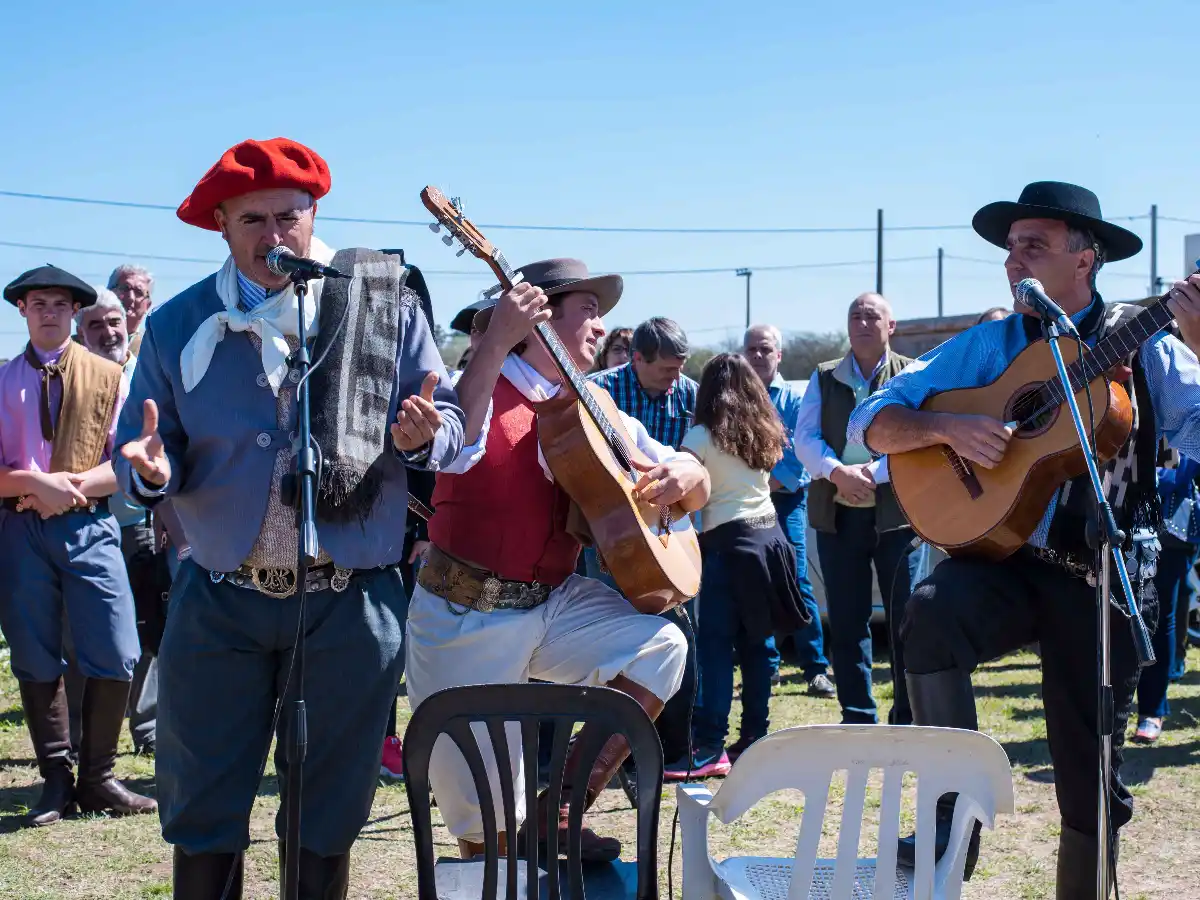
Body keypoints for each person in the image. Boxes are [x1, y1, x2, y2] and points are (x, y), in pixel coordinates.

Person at [113, 137, 464, 899]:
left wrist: (428, 434)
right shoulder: (177, 325)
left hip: (350, 599)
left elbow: (450, 417)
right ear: (222, 225)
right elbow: (141, 446)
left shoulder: (382, 303)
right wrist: (150, 473)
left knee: (326, 812)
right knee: (202, 806)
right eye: (253, 221)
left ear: (314, 216)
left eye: (289, 216)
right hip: (219, 597)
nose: (274, 236)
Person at [849, 181, 1200, 896]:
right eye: (1010, 248)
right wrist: (947, 427)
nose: (1014, 261)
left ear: (1086, 259)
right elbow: (871, 418)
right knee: (928, 614)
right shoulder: (991, 344)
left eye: (1033, 245)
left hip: (1099, 573)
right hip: (1003, 559)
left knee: (1086, 776)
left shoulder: (1152, 348)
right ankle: (955, 818)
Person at [405, 257, 708, 864]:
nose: (601, 328)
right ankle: (505, 846)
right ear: (540, 317)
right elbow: (452, 446)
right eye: (589, 311)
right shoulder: (482, 382)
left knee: (662, 647)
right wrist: (494, 339)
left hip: (554, 603)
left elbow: (687, 476)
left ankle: (559, 809)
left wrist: (687, 473)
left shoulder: (593, 401)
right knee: (484, 829)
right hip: (467, 616)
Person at [0, 265, 156, 827]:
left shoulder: (109, 377)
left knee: (116, 647)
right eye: (37, 302)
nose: (47, 311)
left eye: (59, 304)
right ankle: (56, 781)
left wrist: (71, 489)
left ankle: (99, 777)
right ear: (21, 309)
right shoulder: (1, 380)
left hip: (89, 523)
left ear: (74, 312)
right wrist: (32, 484)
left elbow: (127, 459)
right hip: (20, 527)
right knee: (36, 649)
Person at [665, 353, 808, 778]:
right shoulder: (764, 430)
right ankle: (755, 740)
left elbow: (682, 489)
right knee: (759, 649)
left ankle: (709, 746)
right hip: (771, 541)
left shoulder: (701, 435)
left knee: (716, 648)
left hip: (728, 547)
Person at [793, 293, 918, 726]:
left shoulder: (912, 374)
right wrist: (836, 473)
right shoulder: (824, 376)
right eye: (855, 316)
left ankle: (907, 713)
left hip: (897, 515)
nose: (863, 322)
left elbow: (921, 439)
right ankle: (857, 714)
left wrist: (874, 473)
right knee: (847, 621)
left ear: (891, 326)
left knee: (906, 620)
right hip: (837, 515)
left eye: (872, 315)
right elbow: (804, 438)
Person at [588, 316, 700, 768]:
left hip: (666, 533)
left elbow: (694, 465)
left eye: (680, 368)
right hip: (609, 538)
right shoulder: (598, 392)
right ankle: (607, 749)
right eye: (665, 370)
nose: (675, 378)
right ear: (636, 359)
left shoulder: (691, 394)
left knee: (672, 641)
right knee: (615, 643)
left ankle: (663, 746)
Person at [73, 290, 168, 756]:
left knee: (149, 626)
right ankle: (80, 736)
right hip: (83, 525)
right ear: (79, 332)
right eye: (96, 325)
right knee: (85, 632)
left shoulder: (142, 378)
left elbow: (160, 454)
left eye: (115, 322)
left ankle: (147, 728)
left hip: (140, 521)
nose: (109, 332)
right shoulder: (69, 381)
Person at [742, 324, 834, 699]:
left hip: (784, 500)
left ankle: (815, 668)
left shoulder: (795, 399)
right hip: (745, 503)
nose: (758, 356)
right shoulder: (735, 399)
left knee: (795, 580)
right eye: (752, 349)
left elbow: (798, 454)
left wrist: (760, 485)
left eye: (765, 349)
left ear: (779, 355)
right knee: (755, 582)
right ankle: (768, 666)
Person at [1133, 455, 1200, 742]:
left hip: (1170, 528)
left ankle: (1152, 710)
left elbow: (1184, 470)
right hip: (1117, 515)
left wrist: (1155, 475)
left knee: (1158, 617)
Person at [108, 264, 154, 356]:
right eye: (125, 288)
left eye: (139, 292)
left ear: (148, 305)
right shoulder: (83, 342)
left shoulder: (153, 349)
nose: (131, 298)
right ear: (109, 293)